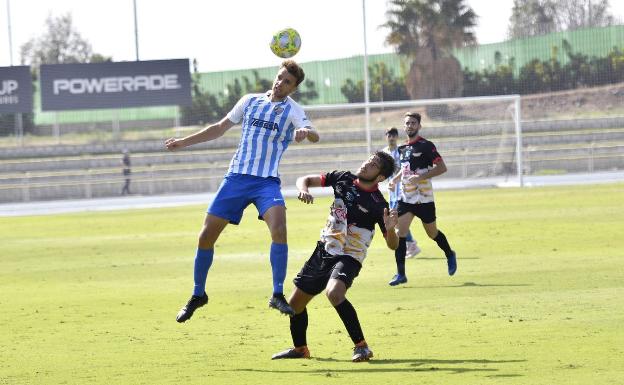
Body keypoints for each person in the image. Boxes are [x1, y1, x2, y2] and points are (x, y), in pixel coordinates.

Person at [164, 60, 319, 322]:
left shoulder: (293, 110)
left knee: (279, 228)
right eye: (280, 77)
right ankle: (198, 294)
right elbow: (219, 128)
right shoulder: (249, 101)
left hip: (266, 182)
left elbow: (315, 134)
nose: (281, 83)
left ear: (293, 88)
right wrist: (183, 142)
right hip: (236, 178)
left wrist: (306, 132)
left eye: (288, 82)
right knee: (205, 237)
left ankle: (277, 294)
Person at [271, 151, 399, 362]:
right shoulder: (343, 178)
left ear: (381, 177)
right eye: (368, 159)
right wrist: (303, 189)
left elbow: (393, 245)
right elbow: (305, 179)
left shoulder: (379, 204)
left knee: (334, 293)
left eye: (374, 164)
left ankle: (362, 347)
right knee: (294, 306)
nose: (367, 163)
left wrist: (391, 229)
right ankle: (300, 349)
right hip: (325, 249)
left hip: (350, 255)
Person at [387, 112, 457, 286]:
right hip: (406, 199)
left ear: (419, 126)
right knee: (400, 234)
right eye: (407, 123)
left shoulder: (426, 146)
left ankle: (449, 253)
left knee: (432, 233)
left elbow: (442, 167)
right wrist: (395, 180)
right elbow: (404, 170)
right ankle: (401, 274)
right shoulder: (402, 149)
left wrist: (420, 178)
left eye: (413, 123)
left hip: (424, 199)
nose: (409, 125)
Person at [382, 127, 421, 269]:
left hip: (402, 191)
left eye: (394, 135)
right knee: (396, 221)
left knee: (397, 219)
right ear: (386, 137)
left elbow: (406, 168)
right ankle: (411, 245)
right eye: (389, 135)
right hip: (392, 191)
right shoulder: (384, 153)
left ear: (397, 137)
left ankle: (411, 245)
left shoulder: (402, 151)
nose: (391, 137)